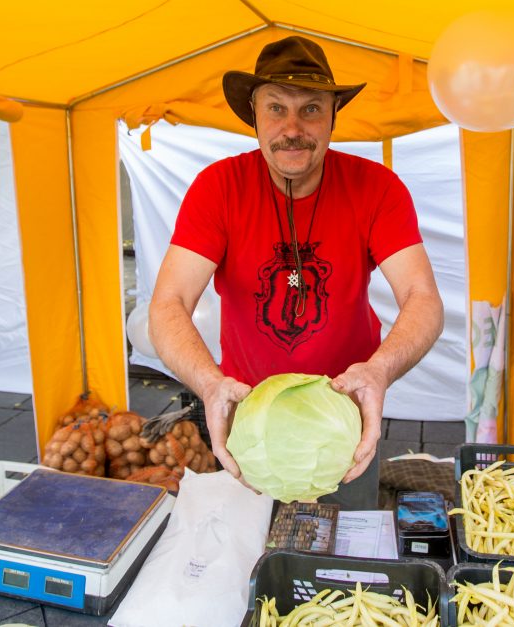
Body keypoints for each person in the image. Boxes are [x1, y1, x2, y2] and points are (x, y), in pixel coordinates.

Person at [149, 36, 443, 509]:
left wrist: (380, 371)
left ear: (332, 117)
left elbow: (422, 296)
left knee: (346, 560)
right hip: (251, 422)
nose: (292, 127)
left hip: (341, 421)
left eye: (310, 109)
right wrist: (209, 383)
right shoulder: (217, 189)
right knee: (252, 561)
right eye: (276, 109)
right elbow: (168, 303)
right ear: (254, 115)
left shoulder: (377, 189)